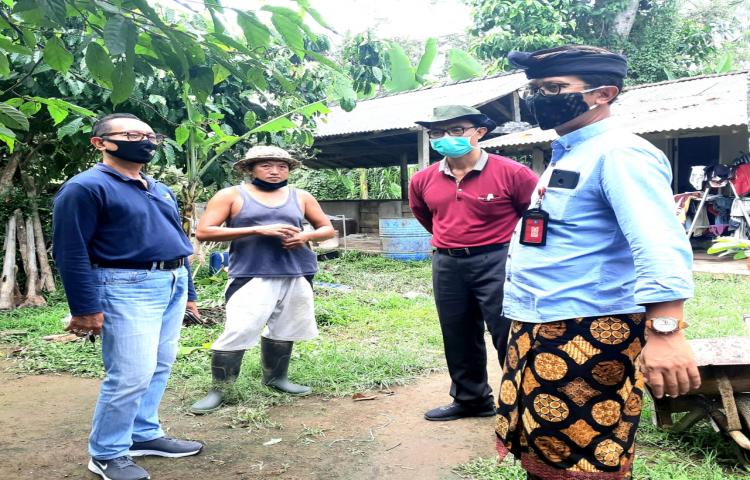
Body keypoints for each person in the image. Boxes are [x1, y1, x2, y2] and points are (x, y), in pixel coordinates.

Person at [495, 45, 701, 480]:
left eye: (553, 88)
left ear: (603, 93)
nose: (538, 98)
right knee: (546, 444)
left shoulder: (620, 153)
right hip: (539, 323)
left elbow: (658, 242)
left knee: (585, 456)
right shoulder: (569, 152)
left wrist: (666, 331)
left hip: (589, 330)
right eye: (534, 89)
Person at [53, 113, 203, 480]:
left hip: (172, 281)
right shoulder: (85, 188)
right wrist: (85, 308)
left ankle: (142, 434)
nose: (146, 141)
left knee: (159, 364)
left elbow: (177, 243)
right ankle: (106, 453)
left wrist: (188, 292)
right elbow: (70, 251)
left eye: (152, 135)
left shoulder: (157, 187)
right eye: (133, 134)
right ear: (100, 142)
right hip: (124, 285)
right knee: (131, 373)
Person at [409, 105, 538, 421]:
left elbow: (535, 216)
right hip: (447, 263)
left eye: (456, 130)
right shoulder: (422, 179)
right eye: (437, 133)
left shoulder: (513, 173)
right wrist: (454, 242)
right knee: (457, 332)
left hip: (498, 260)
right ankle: (472, 399)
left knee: (507, 331)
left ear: (480, 132)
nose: (445, 138)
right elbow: (427, 217)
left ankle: (523, 403)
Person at [190, 145, 334, 414]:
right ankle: (220, 390)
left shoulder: (300, 196)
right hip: (251, 273)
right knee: (239, 329)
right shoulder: (231, 195)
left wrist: (305, 237)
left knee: (286, 327)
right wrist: (258, 229)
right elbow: (204, 232)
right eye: (266, 165)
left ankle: (276, 378)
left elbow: (326, 229)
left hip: (296, 271)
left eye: (281, 166)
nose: (275, 171)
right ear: (249, 168)